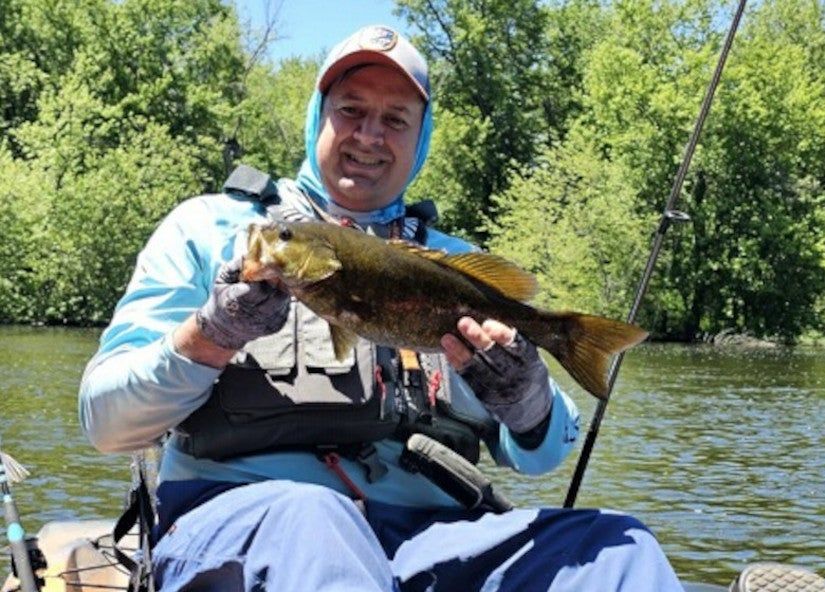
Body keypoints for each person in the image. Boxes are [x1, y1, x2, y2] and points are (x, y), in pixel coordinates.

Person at [79, 25, 684, 591]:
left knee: (617, 547)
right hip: (246, 522)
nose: (369, 136)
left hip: (429, 540)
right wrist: (211, 334)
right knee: (315, 522)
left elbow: (544, 454)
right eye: (351, 110)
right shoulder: (210, 230)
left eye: (395, 119)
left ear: (421, 137)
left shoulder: (452, 265)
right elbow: (106, 424)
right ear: (318, 115)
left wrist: (526, 403)